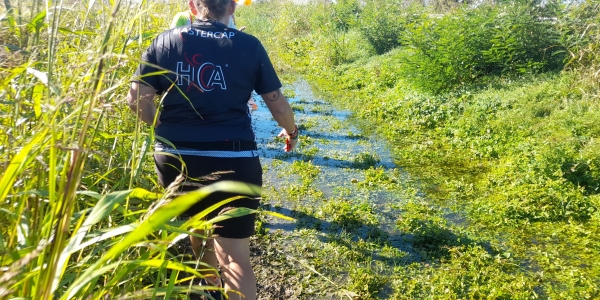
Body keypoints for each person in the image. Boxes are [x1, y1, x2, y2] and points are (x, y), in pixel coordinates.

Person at [126, 0, 298, 298]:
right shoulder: (249, 45)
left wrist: (164, 131)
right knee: (234, 256)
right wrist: (292, 132)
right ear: (232, 8)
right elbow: (276, 101)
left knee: (199, 230)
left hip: (176, 159)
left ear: (192, 6)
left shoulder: (164, 41)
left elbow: (136, 98)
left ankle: (209, 290)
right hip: (234, 158)